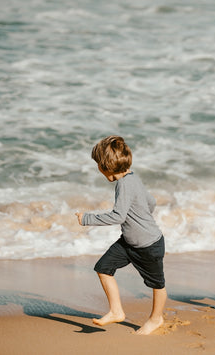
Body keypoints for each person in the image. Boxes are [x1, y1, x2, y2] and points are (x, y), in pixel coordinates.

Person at [75, 135, 166, 335]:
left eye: (98, 164)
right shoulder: (133, 177)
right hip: (129, 242)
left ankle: (156, 319)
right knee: (103, 268)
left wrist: (87, 219)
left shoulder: (123, 184)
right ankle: (116, 311)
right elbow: (151, 202)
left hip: (149, 245)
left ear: (105, 167)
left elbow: (118, 216)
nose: (98, 168)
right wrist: (141, 217)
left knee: (157, 284)